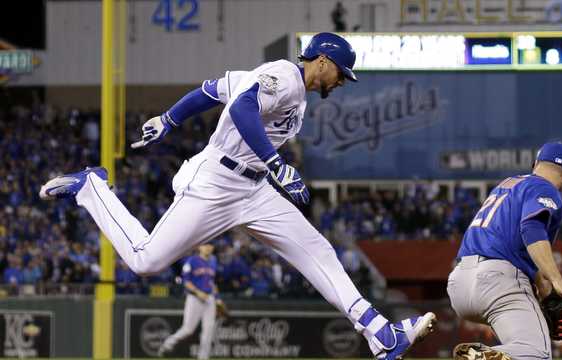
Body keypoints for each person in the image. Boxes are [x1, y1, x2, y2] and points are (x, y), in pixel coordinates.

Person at [39, 32, 435, 359]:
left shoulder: (283, 87)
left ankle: (380, 333)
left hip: (254, 189)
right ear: (323, 62)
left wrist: (169, 118)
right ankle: (92, 187)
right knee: (146, 260)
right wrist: (277, 163)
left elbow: (213, 91)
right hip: (216, 183)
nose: (341, 82)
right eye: (341, 74)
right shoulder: (283, 74)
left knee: (316, 248)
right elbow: (244, 108)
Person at [447, 142, 562, 360]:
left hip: (460, 285)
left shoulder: (508, 184)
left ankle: (483, 356)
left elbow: (520, 247)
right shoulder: (544, 187)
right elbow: (531, 228)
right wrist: (557, 280)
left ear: (535, 163)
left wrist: (545, 291)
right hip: (498, 282)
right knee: (536, 354)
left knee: (516, 352)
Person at [158, 242, 221, 359]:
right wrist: (198, 292)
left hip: (209, 298)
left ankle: (203, 357)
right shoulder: (191, 261)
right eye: (205, 245)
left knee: (209, 330)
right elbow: (186, 282)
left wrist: (217, 299)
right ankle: (167, 344)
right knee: (188, 329)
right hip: (194, 297)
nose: (208, 247)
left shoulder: (213, 261)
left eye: (211, 245)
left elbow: (212, 281)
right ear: (199, 247)